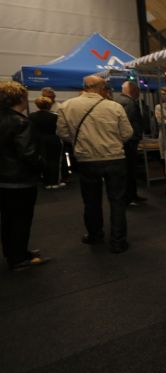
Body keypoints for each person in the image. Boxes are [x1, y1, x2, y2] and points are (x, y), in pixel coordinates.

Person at [57, 75, 133, 253]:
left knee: (91, 201)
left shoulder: (66, 106)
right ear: (102, 87)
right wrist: (112, 142)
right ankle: (118, 241)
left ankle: (95, 235)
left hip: (86, 159)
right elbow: (127, 133)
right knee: (117, 201)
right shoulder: (114, 106)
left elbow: (62, 132)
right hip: (114, 158)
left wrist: (80, 142)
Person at [0, 81, 50, 271]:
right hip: (19, 179)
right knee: (21, 219)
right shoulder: (21, 122)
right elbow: (28, 153)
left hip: (3, 179)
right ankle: (19, 258)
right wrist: (42, 165)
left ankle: (13, 252)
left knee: (8, 219)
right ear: (20, 98)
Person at [114, 81, 146, 205]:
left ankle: (132, 195)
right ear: (132, 90)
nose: (139, 93)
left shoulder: (119, 101)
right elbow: (127, 123)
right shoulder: (129, 103)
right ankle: (130, 197)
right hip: (129, 141)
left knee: (128, 170)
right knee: (129, 170)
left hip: (126, 141)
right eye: (137, 90)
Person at [28, 96, 65, 189]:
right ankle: (55, 182)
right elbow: (61, 128)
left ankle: (46, 182)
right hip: (54, 139)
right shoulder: (56, 116)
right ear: (50, 105)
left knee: (43, 160)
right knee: (56, 161)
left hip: (39, 140)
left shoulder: (31, 116)